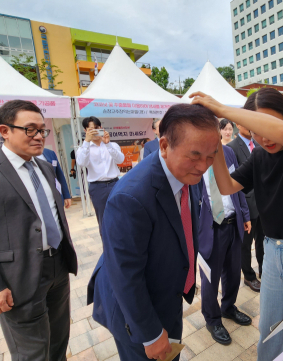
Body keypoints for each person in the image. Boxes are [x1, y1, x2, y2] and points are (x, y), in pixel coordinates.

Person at [190, 88, 283, 360]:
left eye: (266, 125)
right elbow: (226, 185)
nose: (263, 137)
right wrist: (217, 146)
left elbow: (282, 134)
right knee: (269, 333)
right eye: (254, 129)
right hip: (272, 252)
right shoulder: (259, 157)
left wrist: (223, 109)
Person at [87, 104, 220, 361]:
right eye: (194, 155)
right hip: (136, 312)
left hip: (166, 294)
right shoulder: (131, 197)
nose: (204, 166)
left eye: (211, 155)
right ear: (164, 145)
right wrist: (149, 333)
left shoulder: (186, 174)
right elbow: (125, 274)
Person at [0, 100, 78, 361]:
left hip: (58, 267)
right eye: (30, 129)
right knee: (32, 353)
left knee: (58, 344)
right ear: (4, 131)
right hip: (17, 278)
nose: (39, 136)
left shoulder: (43, 166)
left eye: (43, 130)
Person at [198, 144, 252, 345]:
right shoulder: (193, 155)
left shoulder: (227, 152)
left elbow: (237, 187)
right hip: (210, 227)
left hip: (232, 221)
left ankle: (228, 307)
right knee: (210, 277)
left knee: (232, 272)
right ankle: (212, 320)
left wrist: (245, 214)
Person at [227, 123, 263, 293]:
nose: (249, 126)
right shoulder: (231, 148)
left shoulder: (260, 143)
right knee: (245, 244)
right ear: (238, 124)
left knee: (263, 240)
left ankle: (265, 270)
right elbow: (233, 182)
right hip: (247, 203)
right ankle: (249, 276)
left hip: (264, 203)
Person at [75, 116, 125, 237]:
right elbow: (82, 163)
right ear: (85, 130)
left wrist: (107, 144)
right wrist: (86, 141)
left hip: (115, 183)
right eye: (91, 129)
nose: (95, 131)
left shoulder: (112, 145)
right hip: (98, 188)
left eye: (97, 128)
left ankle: (122, 244)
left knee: (121, 215)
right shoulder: (83, 148)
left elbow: (120, 160)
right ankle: (108, 250)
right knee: (103, 220)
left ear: (101, 128)